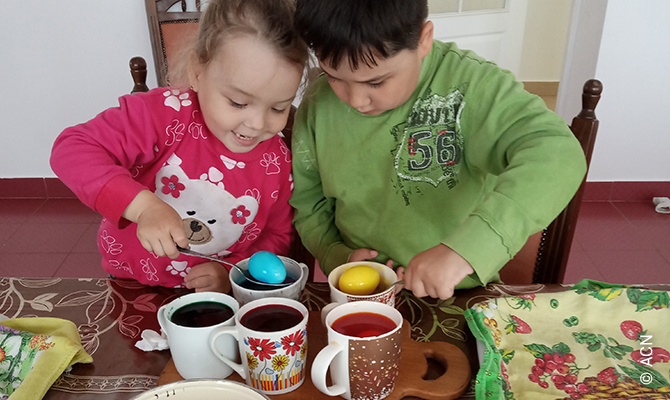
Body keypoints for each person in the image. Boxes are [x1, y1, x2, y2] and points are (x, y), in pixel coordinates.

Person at [290, 0, 587, 300]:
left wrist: (464, 251)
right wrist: (335, 254)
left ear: (423, 39)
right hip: (362, 292)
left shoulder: (473, 87)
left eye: (376, 81)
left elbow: (558, 152)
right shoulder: (318, 103)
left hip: (458, 294)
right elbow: (310, 206)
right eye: (334, 76)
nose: (355, 100)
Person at [50, 0, 308, 293]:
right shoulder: (164, 115)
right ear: (198, 72)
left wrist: (231, 272)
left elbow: (276, 234)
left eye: (278, 108)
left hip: (219, 295)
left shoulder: (276, 160)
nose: (258, 124)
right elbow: (72, 148)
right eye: (238, 102)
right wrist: (144, 208)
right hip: (134, 284)